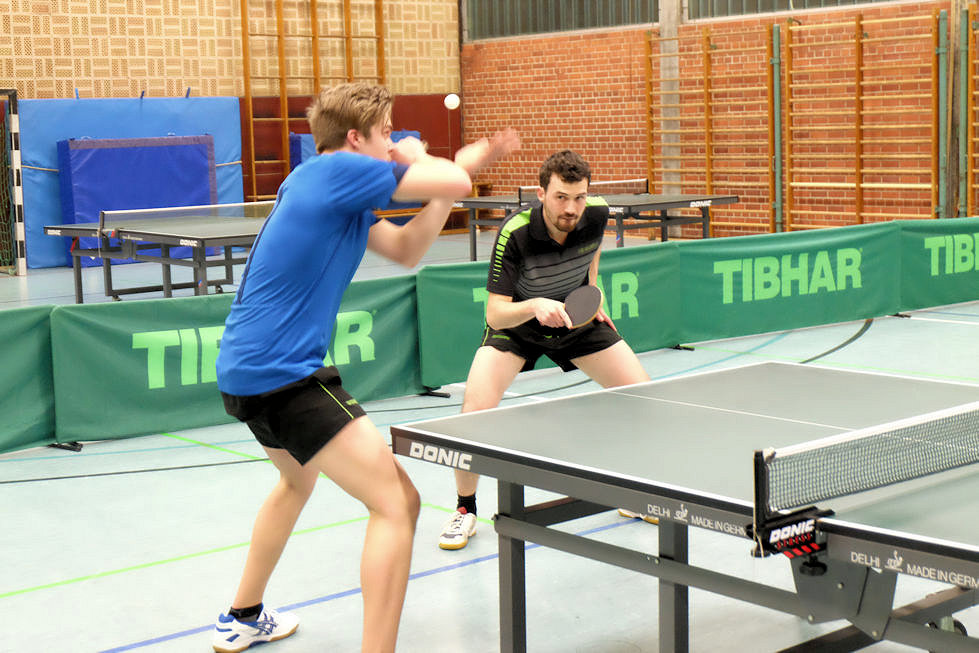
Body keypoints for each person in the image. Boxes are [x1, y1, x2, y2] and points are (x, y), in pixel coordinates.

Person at [211, 81, 519, 652]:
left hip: (245, 371)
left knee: (295, 481)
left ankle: (243, 615)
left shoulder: (328, 189)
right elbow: (454, 180)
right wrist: (429, 158)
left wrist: (446, 184)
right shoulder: (337, 172)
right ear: (356, 139)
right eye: (387, 133)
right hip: (284, 374)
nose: (393, 143)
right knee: (397, 503)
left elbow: (406, 250)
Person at [437, 150, 653, 551]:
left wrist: (592, 291)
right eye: (561, 198)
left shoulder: (596, 212)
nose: (571, 208)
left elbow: (593, 250)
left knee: (643, 395)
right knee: (474, 414)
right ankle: (465, 509)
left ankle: (633, 494)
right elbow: (495, 313)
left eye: (579, 197)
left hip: (574, 320)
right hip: (519, 325)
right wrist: (535, 305)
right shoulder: (515, 233)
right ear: (541, 194)